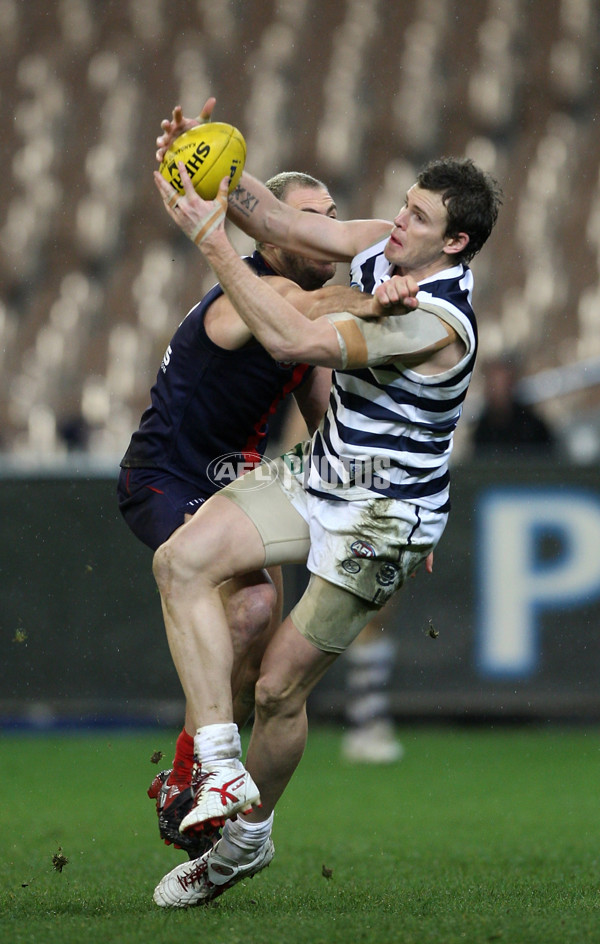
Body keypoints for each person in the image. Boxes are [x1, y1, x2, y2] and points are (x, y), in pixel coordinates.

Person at [149, 111, 502, 907]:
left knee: (278, 691)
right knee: (181, 562)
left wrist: (209, 242)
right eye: (405, 205)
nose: (396, 219)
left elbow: (292, 343)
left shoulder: (435, 323)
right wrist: (199, 167)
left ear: (454, 245)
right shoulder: (388, 243)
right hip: (323, 474)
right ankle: (217, 764)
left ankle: (245, 842)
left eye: (418, 217)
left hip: (382, 517)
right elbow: (273, 218)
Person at [117, 165, 370, 858]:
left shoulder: (297, 311)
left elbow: (325, 422)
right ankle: (191, 776)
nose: (325, 230)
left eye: (331, 215)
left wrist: (382, 498)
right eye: (308, 218)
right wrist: (394, 296)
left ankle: (199, 780)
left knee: (255, 646)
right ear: (270, 230)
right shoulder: (253, 294)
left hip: (237, 483)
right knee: (253, 610)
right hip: (163, 477)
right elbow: (314, 313)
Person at [471, 354, 556, 457]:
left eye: (501, 384)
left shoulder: (532, 427)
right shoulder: (482, 429)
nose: (497, 391)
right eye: (493, 384)